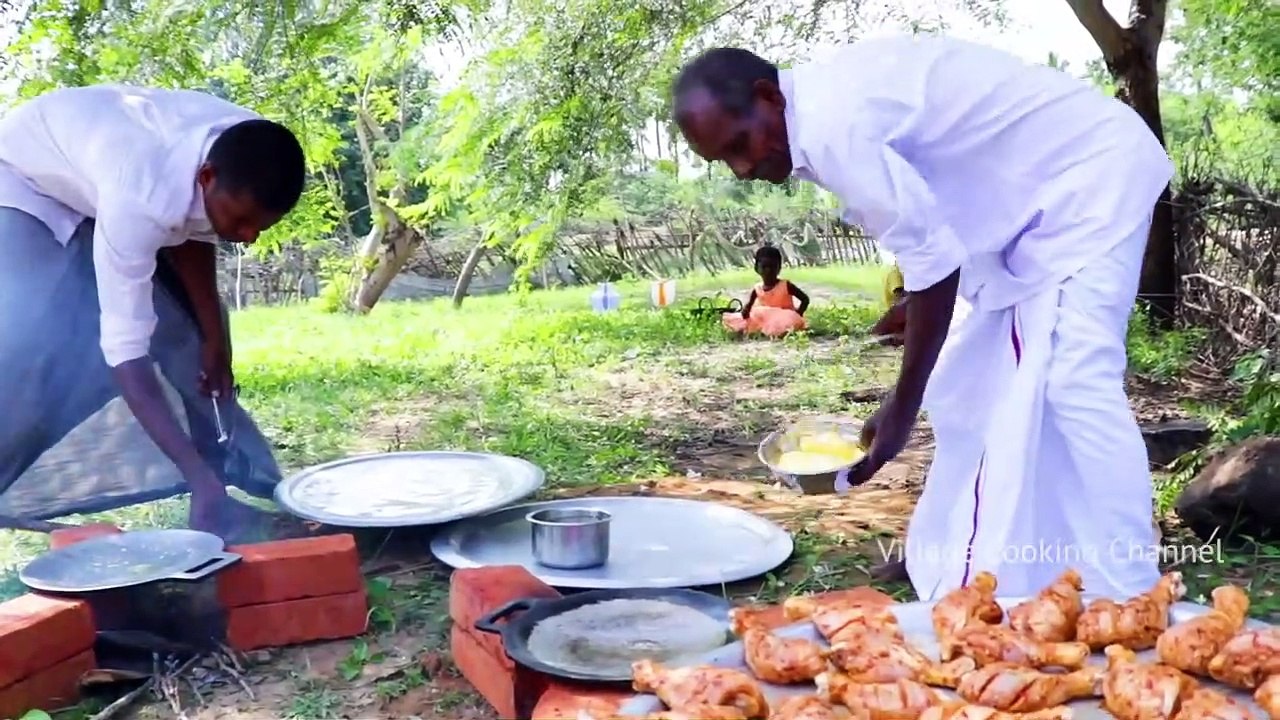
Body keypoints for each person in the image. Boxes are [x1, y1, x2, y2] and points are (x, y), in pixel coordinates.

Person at [671, 36, 1172, 599]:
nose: (742, 168)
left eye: (740, 143)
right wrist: (917, 309)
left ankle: (1132, 588)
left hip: (1092, 179)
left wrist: (901, 408)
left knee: (1078, 382)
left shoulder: (833, 124)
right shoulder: (822, 110)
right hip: (1035, 210)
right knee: (968, 387)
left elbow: (934, 264)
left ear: (769, 97)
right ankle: (953, 550)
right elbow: (928, 233)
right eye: (724, 160)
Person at [0, 84, 307, 539]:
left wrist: (215, 343)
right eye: (242, 221)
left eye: (261, 226)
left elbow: (193, 233)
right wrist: (194, 477)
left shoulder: (247, 145)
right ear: (206, 178)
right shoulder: (139, 197)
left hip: (111, 173)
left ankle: (226, 489)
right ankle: (203, 486)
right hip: (23, 180)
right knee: (42, 337)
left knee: (190, 332)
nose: (248, 238)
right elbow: (126, 354)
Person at [722, 244, 811, 337]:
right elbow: (748, 306)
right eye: (764, 267)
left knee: (785, 327)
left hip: (784, 317)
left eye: (772, 267)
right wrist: (745, 311)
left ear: (779, 268)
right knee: (739, 324)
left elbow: (805, 299)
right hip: (763, 318)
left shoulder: (785, 285)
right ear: (757, 268)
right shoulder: (757, 288)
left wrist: (797, 315)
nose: (768, 271)